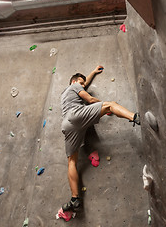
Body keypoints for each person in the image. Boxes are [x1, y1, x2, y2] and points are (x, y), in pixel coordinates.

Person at [60, 65, 140, 211]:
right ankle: (135, 117)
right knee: (111, 105)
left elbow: (84, 84)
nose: (83, 85)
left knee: (72, 161)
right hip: (77, 115)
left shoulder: (65, 93)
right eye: (81, 83)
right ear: (74, 81)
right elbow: (89, 98)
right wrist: (102, 106)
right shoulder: (75, 86)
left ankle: (75, 198)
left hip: (67, 124)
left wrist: (92, 73)